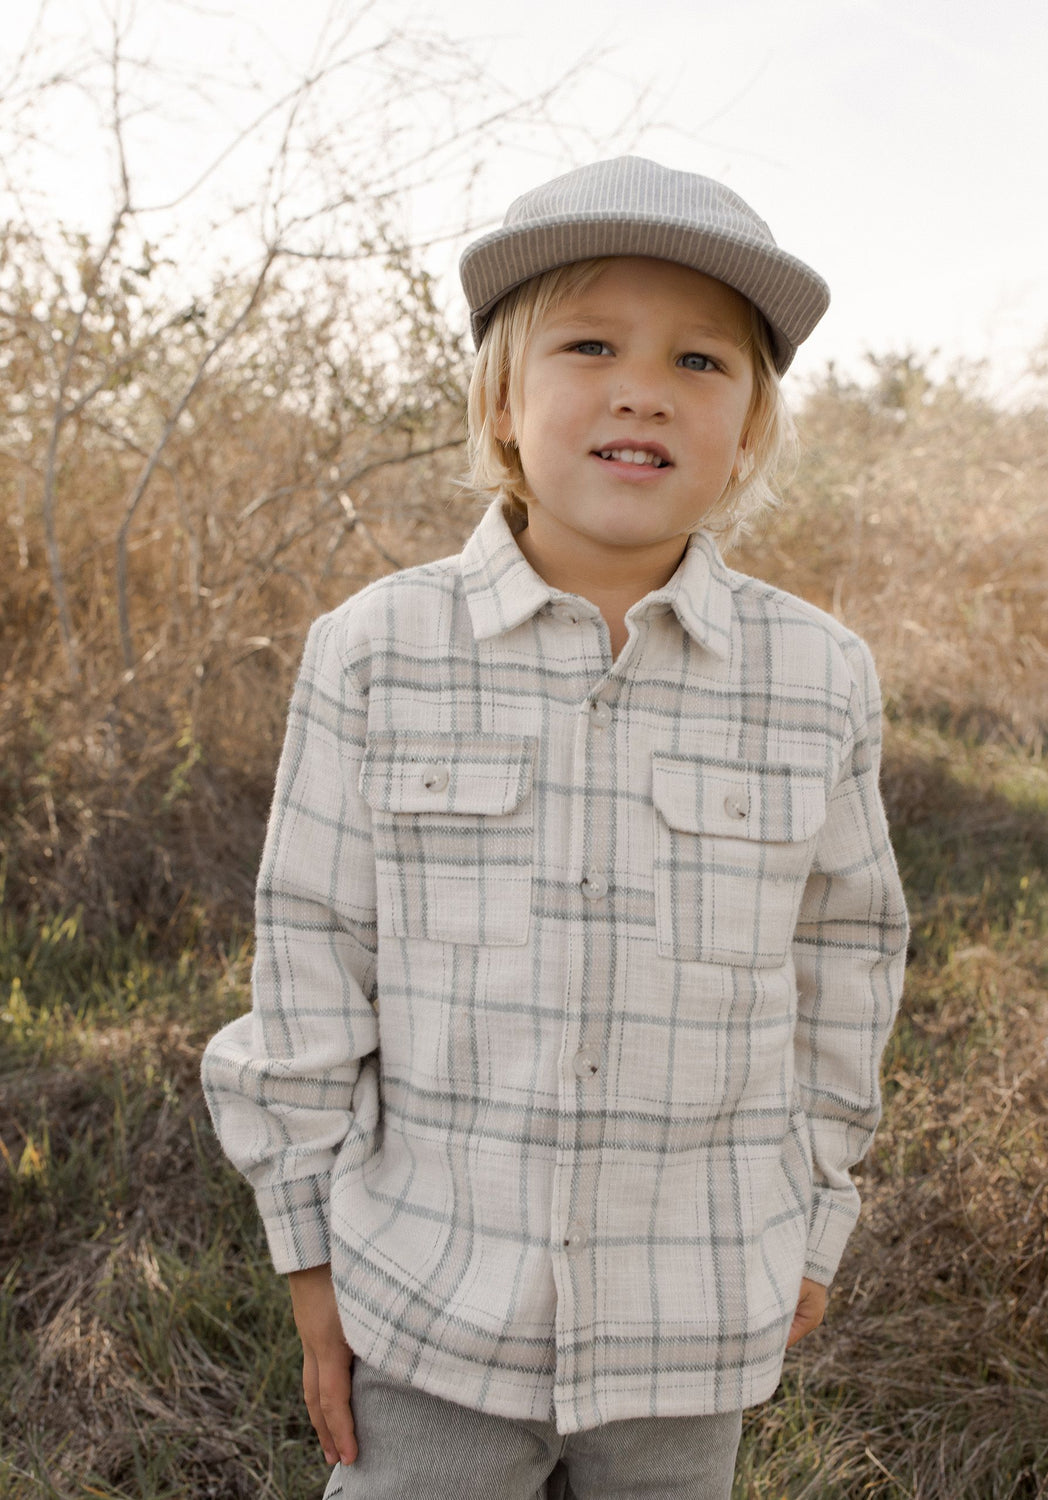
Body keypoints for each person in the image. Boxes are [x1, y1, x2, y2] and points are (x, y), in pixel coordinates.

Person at [202, 155, 908, 1500]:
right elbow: (307, 964)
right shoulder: (374, 653)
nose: (644, 385)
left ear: (752, 427)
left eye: (702, 362)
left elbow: (850, 964)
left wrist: (815, 1222)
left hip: (692, 1312)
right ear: (504, 402)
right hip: (432, 1309)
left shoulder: (819, 676)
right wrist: (310, 1267)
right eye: (590, 345)